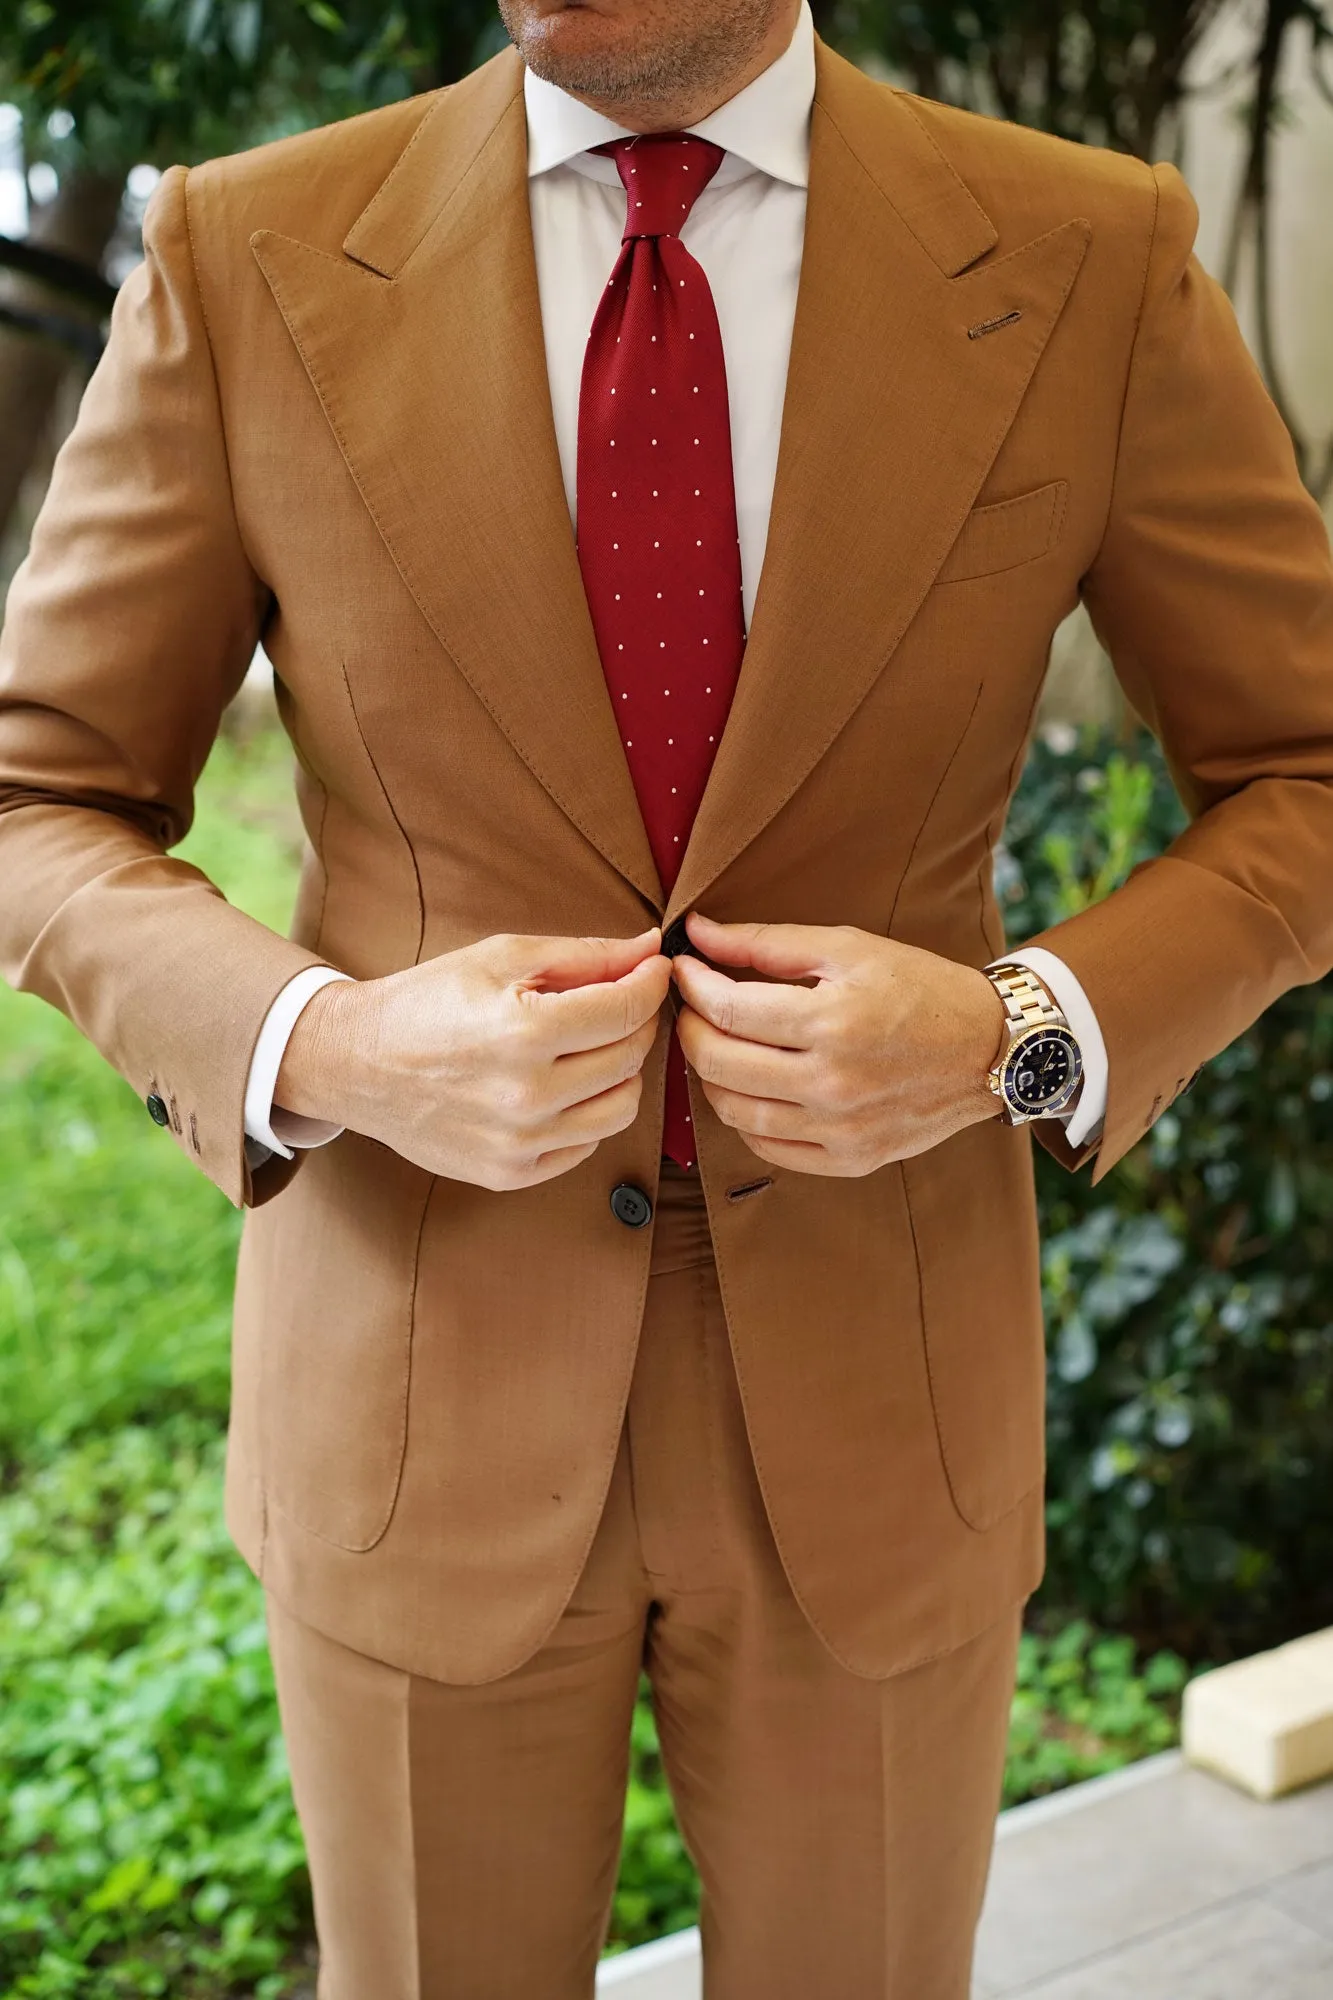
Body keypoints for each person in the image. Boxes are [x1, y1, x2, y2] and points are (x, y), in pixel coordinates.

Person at [2, 0, 1331, 1992]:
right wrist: (335, 1045)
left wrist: (1014, 1023)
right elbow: (42, 791)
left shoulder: (1087, 255)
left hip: (882, 1396)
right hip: (413, 1376)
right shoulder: (240, 251)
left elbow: (1305, 774)